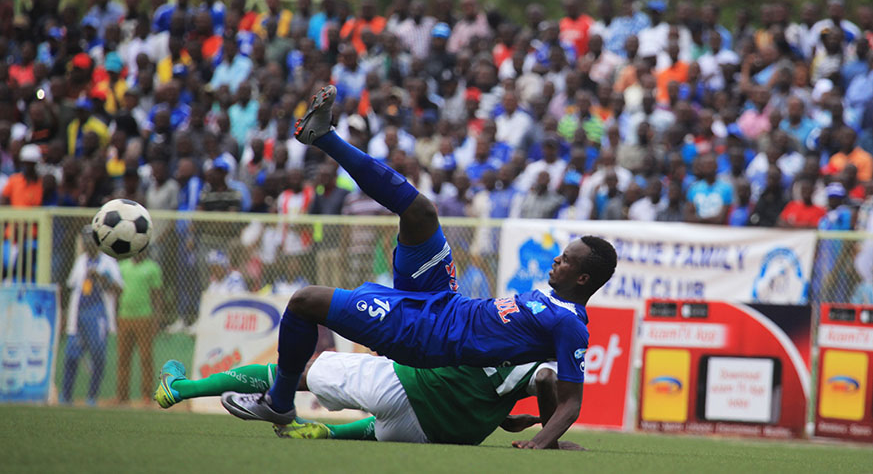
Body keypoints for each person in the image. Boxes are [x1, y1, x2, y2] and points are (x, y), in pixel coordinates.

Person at [222, 86, 617, 450]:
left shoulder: (570, 325)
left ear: (583, 278)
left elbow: (569, 400)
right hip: (443, 300)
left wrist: (545, 441)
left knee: (305, 301)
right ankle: (323, 136)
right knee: (420, 211)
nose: (555, 260)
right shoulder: (551, 302)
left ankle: (279, 400)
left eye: (565, 260)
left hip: (428, 335)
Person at [155, 355, 575, 447]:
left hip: (407, 387)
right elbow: (532, 385)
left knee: (300, 373)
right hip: (439, 433)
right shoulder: (549, 342)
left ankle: (182, 388)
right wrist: (512, 418)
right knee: (382, 429)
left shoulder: (524, 340)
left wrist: (546, 438)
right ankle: (327, 433)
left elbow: (545, 377)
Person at [62, 226, 123, 405]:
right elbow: (72, 286)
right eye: (86, 240)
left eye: (91, 241)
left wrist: (102, 276)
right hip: (78, 313)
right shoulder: (81, 261)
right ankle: (66, 397)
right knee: (71, 355)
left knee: (98, 356)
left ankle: (92, 396)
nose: (88, 244)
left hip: (98, 313)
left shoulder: (108, 262)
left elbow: (119, 288)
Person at [116, 248, 163, 404]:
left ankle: (146, 395)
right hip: (124, 316)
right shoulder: (122, 266)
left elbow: (157, 295)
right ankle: (122, 396)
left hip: (144, 317)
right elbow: (117, 292)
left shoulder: (152, 268)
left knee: (145, 357)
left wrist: (157, 320)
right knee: (123, 357)